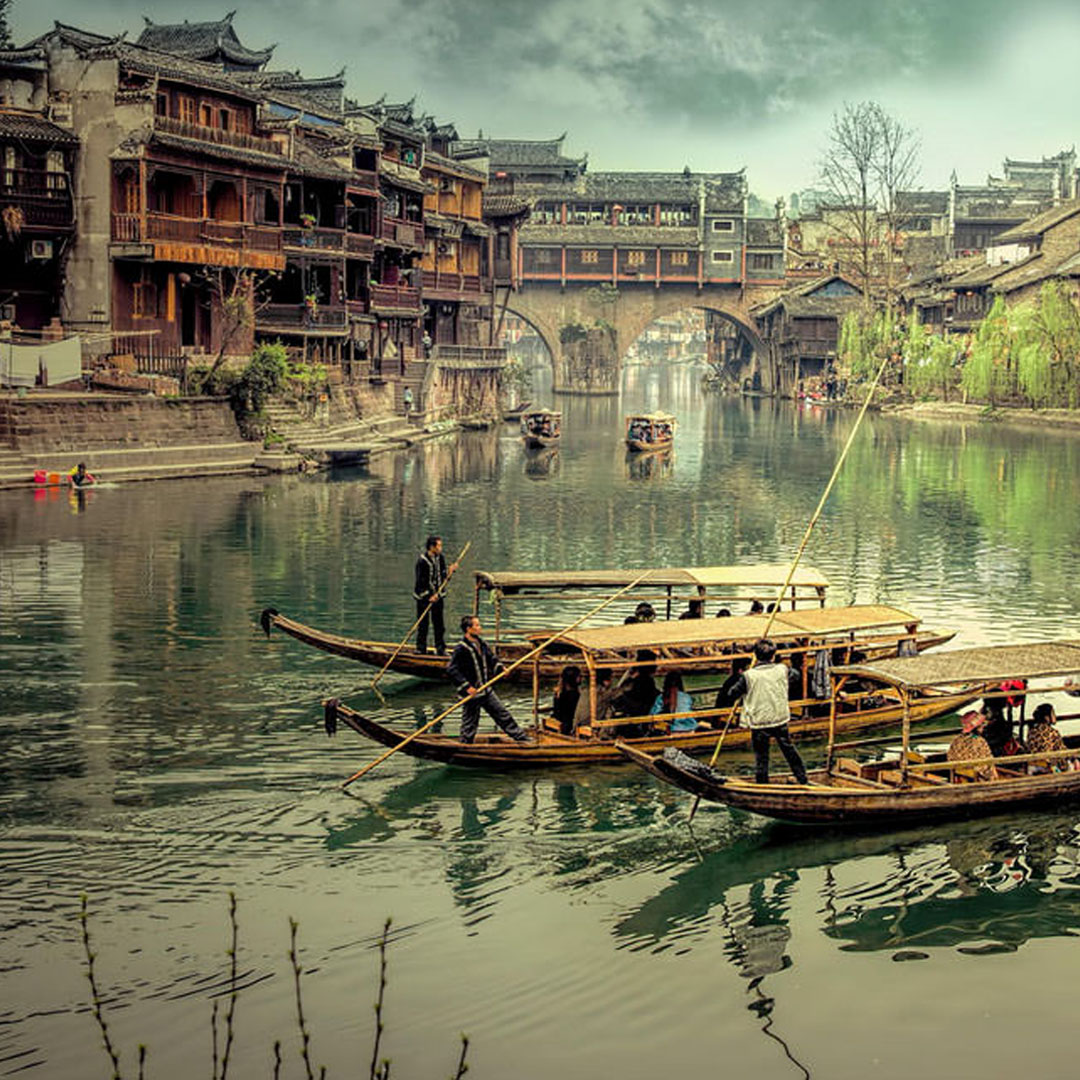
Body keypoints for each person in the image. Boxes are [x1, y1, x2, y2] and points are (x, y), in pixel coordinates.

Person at [724, 639, 808, 785]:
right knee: (789, 750)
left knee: (762, 756)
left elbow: (731, 694)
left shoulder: (748, 676)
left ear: (755, 655)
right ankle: (802, 777)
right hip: (779, 717)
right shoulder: (782, 669)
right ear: (773, 655)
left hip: (760, 721)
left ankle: (762, 784)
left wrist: (745, 685)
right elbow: (796, 675)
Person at [447, 615, 529, 743]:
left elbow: (492, 659)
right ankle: (465, 745)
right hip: (472, 693)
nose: (480, 628)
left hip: (485, 689)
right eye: (477, 625)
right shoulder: (461, 648)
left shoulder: (481, 643)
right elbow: (452, 669)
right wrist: (467, 687)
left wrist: (501, 669)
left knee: (502, 714)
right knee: (470, 723)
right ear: (469, 629)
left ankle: (522, 738)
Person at [413, 535, 458, 655]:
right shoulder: (422, 561)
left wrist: (450, 571)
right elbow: (420, 581)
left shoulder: (440, 558)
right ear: (432, 547)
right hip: (423, 598)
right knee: (423, 624)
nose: (440, 548)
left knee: (439, 624)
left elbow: (443, 577)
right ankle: (421, 648)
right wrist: (429, 596)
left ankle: (441, 648)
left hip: (438, 596)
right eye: (439, 546)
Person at [947, 711, 998, 781]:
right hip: (978, 778)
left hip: (961, 777)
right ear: (977, 727)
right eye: (981, 725)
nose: (983, 727)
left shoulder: (956, 740)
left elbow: (950, 758)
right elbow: (986, 765)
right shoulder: (980, 741)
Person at [1026, 703, 1073, 773]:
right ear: (1046, 717)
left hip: (1032, 766)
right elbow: (1061, 751)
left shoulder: (1032, 731)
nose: (1055, 716)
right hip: (1047, 766)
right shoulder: (1052, 732)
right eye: (1053, 713)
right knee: (1071, 765)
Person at [573, 667, 617, 733]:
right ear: (606, 680)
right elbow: (617, 693)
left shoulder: (586, 691)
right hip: (588, 727)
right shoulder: (601, 693)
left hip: (578, 725)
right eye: (611, 678)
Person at [552, 665, 582, 736]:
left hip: (560, 720)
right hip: (567, 724)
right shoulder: (572, 694)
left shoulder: (561, 691)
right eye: (579, 676)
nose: (581, 678)